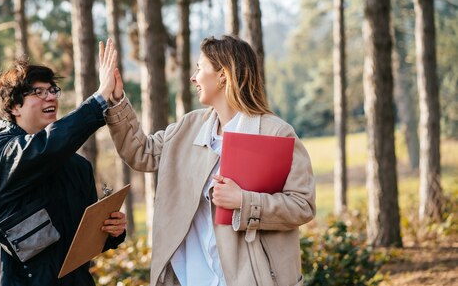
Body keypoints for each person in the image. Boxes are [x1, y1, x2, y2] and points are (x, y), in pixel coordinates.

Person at [105, 35, 316, 286]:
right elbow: (141, 152)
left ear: (223, 74)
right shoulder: (188, 127)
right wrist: (117, 100)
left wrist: (244, 201)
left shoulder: (276, 133)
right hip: (189, 278)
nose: (193, 77)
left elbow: (302, 204)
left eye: (199, 68)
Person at [0, 40, 127, 285]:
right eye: (38, 92)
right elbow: (43, 149)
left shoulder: (78, 166)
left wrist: (112, 231)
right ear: (15, 106)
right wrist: (99, 99)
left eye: (52, 90)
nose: (50, 98)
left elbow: (84, 238)